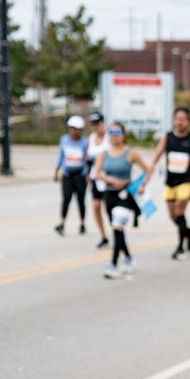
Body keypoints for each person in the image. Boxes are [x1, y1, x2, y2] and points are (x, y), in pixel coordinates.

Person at [149, 107, 190, 260]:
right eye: (177, 119)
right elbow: (157, 154)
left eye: (183, 119)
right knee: (172, 216)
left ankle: (180, 247)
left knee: (179, 212)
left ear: (189, 122)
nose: (179, 122)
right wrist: (151, 166)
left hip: (187, 181)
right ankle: (187, 231)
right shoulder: (167, 137)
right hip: (170, 181)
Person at [93, 122, 149, 279]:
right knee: (117, 229)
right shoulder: (103, 154)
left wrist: (142, 185)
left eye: (117, 132)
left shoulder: (131, 153)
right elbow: (96, 173)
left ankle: (113, 264)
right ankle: (129, 258)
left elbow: (147, 170)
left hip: (124, 194)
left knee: (117, 225)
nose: (114, 135)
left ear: (123, 135)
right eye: (111, 132)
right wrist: (108, 178)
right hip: (109, 194)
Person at [54, 116, 88, 236]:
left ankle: (82, 223)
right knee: (66, 199)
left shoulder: (84, 142)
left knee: (80, 200)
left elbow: (87, 159)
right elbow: (61, 157)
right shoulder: (64, 140)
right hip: (68, 174)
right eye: (72, 128)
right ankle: (62, 223)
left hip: (80, 175)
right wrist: (57, 171)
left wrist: (88, 174)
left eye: (76, 129)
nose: (74, 131)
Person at [85, 112, 111, 248]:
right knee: (96, 206)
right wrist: (88, 173)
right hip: (96, 177)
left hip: (108, 177)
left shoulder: (110, 137)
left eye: (97, 124)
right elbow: (88, 158)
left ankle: (116, 232)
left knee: (110, 208)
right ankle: (103, 235)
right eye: (92, 124)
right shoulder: (91, 138)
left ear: (102, 122)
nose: (95, 127)